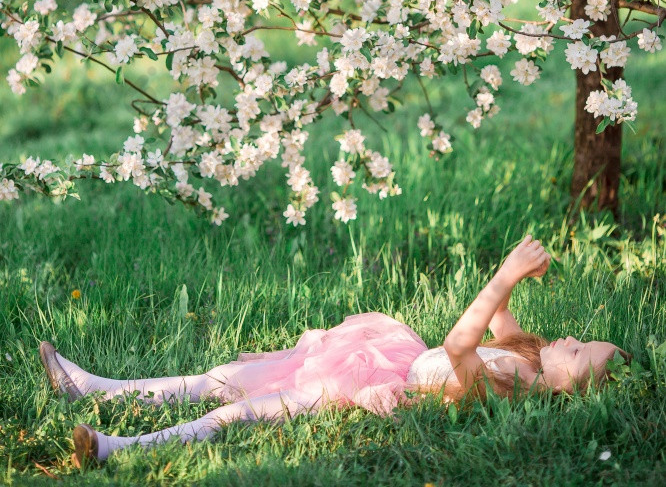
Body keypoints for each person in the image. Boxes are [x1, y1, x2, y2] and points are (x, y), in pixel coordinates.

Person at [39, 235, 630, 466]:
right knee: (223, 376)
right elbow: (498, 321)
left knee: (244, 409)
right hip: (377, 354)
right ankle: (96, 388)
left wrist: (503, 275)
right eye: (580, 339)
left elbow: (457, 342)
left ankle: (120, 447)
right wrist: (516, 285)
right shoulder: (523, 356)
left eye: (577, 354)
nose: (570, 339)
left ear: (562, 389)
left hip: (368, 388)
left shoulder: (496, 386)